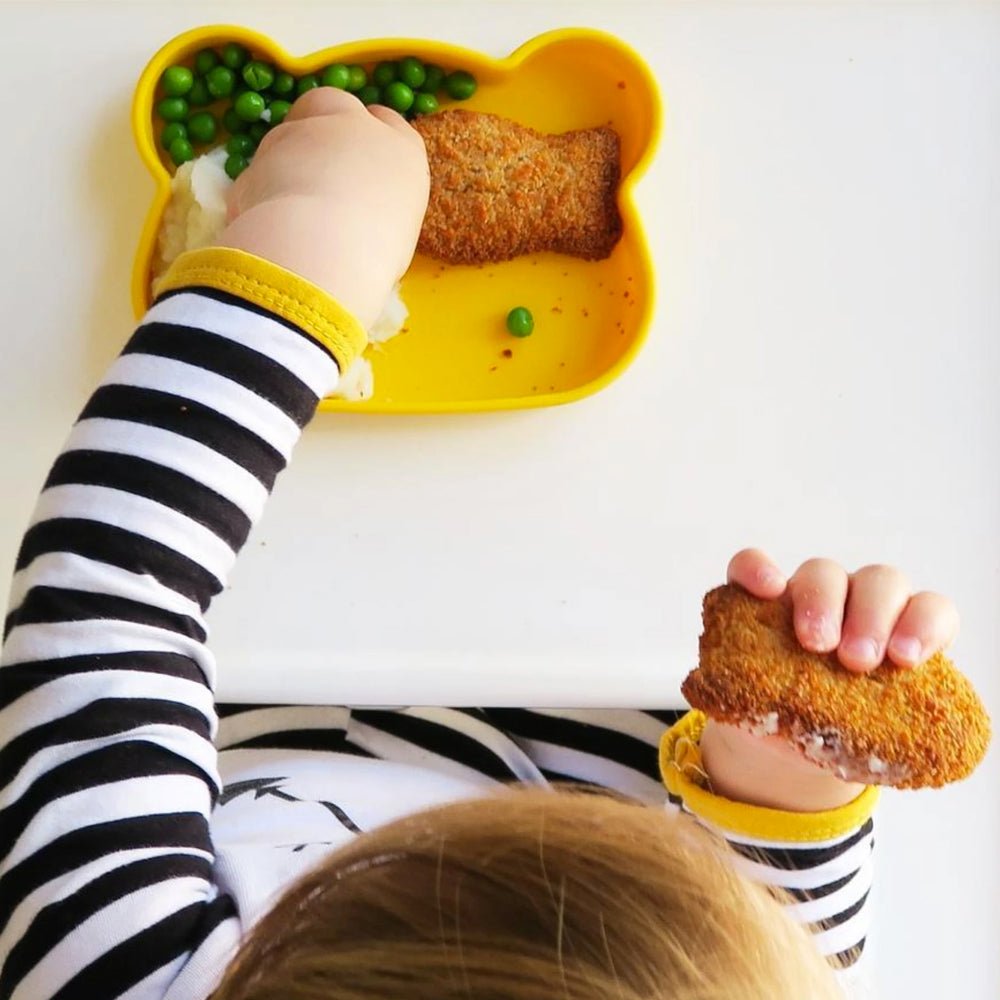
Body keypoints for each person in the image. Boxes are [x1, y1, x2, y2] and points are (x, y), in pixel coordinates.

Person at [0, 88, 960, 1000]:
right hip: (615, 743)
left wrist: (299, 253)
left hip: (234, 728)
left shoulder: (119, 975)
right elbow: (789, 937)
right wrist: (785, 772)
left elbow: (107, 599)